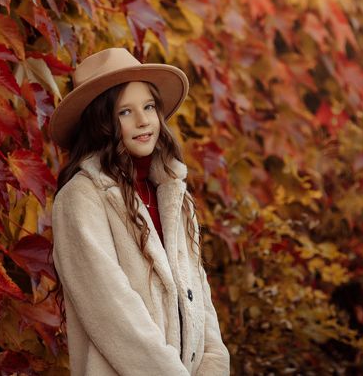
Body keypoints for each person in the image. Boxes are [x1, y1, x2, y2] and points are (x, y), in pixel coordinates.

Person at [49, 47, 230, 375]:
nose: (144, 120)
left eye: (148, 106)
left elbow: (198, 295)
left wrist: (214, 365)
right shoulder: (81, 199)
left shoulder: (173, 192)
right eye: (125, 112)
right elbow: (112, 312)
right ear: (101, 122)